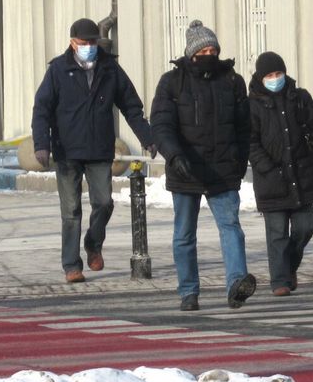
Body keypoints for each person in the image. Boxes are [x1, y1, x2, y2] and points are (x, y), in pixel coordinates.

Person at [31, 17, 155, 284]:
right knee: (71, 211)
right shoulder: (58, 70)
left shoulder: (110, 69)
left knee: (104, 202)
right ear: (72, 43)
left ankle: (93, 242)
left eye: (93, 42)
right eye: (84, 42)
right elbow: (41, 109)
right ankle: (71, 266)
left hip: (99, 149)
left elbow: (131, 106)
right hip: (67, 151)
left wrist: (147, 137)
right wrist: (41, 145)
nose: (89, 46)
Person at [151, 20, 256, 310]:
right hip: (185, 169)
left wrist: (240, 161)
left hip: (223, 169)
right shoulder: (172, 82)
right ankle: (188, 291)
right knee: (184, 233)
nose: (210, 54)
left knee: (231, 227)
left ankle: (236, 284)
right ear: (191, 53)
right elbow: (161, 125)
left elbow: (244, 126)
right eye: (204, 49)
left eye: (214, 49)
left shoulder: (232, 81)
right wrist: (174, 156)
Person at [248, 51, 313, 297]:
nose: (275, 79)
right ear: (261, 78)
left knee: (305, 227)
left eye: (278, 73)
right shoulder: (252, 105)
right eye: (269, 75)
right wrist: (266, 167)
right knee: (277, 233)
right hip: (271, 179)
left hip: (301, 174)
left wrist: (306, 112)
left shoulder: (298, 96)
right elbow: (250, 142)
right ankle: (279, 280)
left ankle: (289, 265)